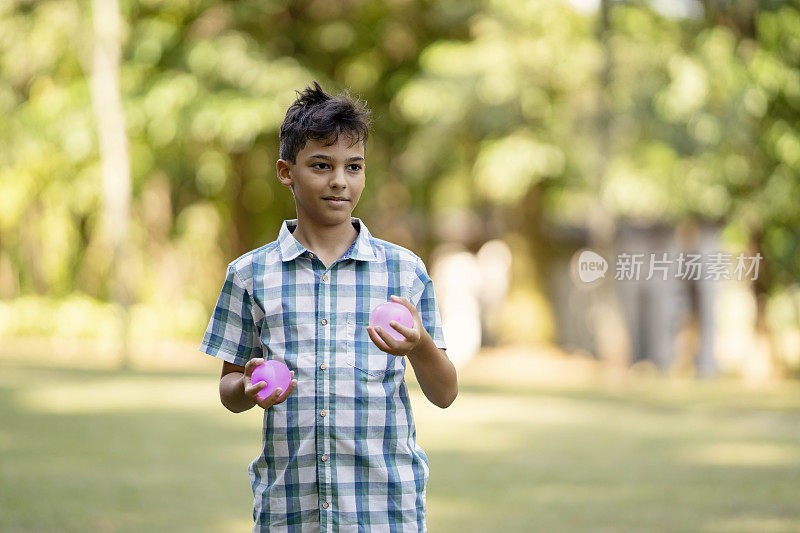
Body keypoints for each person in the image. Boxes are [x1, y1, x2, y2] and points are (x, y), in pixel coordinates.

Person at [198, 80, 458, 532]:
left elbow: (445, 393)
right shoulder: (250, 274)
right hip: (288, 510)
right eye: (321, 165)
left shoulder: (404, 272)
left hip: (384, 510)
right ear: (286, 171)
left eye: (353, 167)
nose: (340, 180)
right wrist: (250, 389)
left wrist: (419, 346)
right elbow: (228, 391)